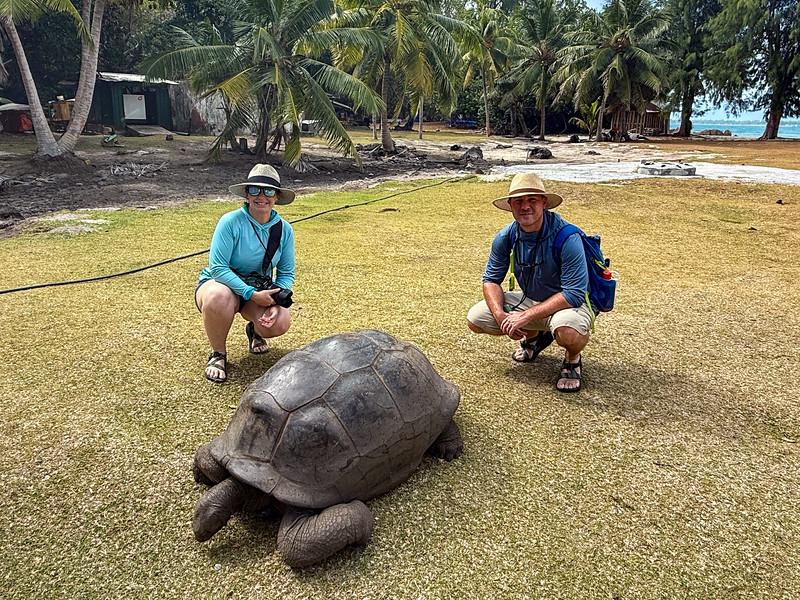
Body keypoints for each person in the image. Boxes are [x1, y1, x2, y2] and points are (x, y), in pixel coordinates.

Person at [466, 173, 592, 393]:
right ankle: (534, 337)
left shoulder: (567, 237)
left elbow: (573, 294)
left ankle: (572, 358)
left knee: (568, 331)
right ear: (510, 205)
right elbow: (491, 280)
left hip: (569, 305)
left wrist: (525, 316)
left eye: (532, 199)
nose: (525, 206)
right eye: (519, 201)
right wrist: (501, 316)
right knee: (476, 319)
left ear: (543, 202)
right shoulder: (507, 236)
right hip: (532, 299)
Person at [195, 164, 296, 383]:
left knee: (281, 321)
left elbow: (286, 272)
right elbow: (218, 268)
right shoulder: (230, 222)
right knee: (217, 297)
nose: (261, 196)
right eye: (255, 190)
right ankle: (218, 353)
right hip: (222, 284)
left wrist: (276, 302)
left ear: (277, 196)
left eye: (268, 191)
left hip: (258, 290)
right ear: (247, 194)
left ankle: (255, 330)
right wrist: (250, 293)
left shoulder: (284, 229)